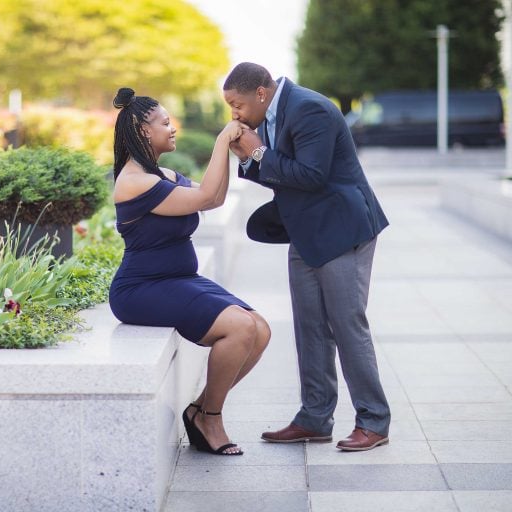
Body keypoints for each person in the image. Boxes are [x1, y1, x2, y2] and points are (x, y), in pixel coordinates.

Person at [223, 62, 391, 451]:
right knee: (310, 327)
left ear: (260, 93)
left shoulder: (309, 108)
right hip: (305, 232)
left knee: (347, 326)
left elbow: (311, 175)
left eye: (236, 104)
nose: (234, 113)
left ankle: (374, 422)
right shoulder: (271, 112)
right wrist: (248, 157)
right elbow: (278, 173)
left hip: (341, 228)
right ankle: (314, 418)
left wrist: (259, 151)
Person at [108, 87, 271, 456]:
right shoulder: (134, 182)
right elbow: (207, 199)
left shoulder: (163, 174)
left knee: (259, 330)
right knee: (240, 328)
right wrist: (220, 142)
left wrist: (237, 153)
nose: (173, 128)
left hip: (179, 281)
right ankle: (209, 417)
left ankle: (199, 409)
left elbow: (216, 195)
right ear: (142, 130)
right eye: (165, 122)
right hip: (142, 289)